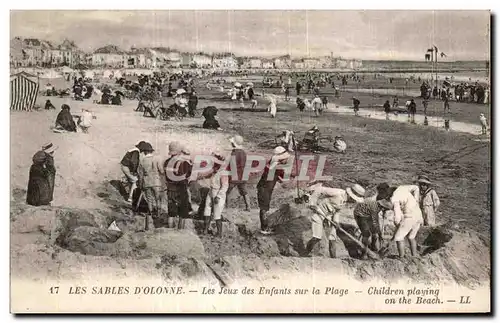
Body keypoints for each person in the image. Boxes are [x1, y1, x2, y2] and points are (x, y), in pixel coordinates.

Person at [303, 183, 365, 258]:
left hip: (329, 217)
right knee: (317, 237)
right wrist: (312, 203)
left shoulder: (344, 201)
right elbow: (319, 189)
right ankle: (304, 254)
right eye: (354, 199)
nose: (353, 201)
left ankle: (334, 259)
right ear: (350, 195)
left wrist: (336, 221)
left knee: (333, 238)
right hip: (320, 213)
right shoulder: (337, 192)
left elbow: (337, 211)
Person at [376, 182, 423, 258]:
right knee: (411, 237)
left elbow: (397, 217)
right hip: (418, 215)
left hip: (410, 216)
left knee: (398, 237)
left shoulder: (395, 199)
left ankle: (401, 257)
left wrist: (397, 225)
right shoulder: (402, 187)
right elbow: (416, 188)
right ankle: (414, 256)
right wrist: (416, 201)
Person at [256, 146, 291, 234]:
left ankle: (265, 226)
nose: (286, 160)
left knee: (265, 207)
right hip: (264, 188)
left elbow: (279, 177)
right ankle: (264, 228)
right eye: (285, 159)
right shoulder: (274, 166)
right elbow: (281, 178)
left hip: (266, 188)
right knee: (264, 208)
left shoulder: (274, 164)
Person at [164, 141, 193, 229]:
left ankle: (170, 230)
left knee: (171, 213)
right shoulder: (183, 162)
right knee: (183, 213)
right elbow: (189, 174)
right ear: (180, 151)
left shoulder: (166, 162)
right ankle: (181, 233)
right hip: (181, 189)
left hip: (170, 188)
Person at [137, 142, 164, 230]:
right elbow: (161, 170)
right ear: (151, 151)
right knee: (158, 199)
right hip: (156, 182)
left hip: (147, 182)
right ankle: (159, 214)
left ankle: (151, 214)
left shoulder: (142, 161)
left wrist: (140, 185)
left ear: (144, 152)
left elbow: (140, 175)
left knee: (149, 200)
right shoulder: (156, 159)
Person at [203, 153, 229, 237]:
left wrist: (218, 196)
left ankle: (219, 233)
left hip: (218, 193)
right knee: (207, 211)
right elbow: (208, 175)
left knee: (217, 214)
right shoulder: (215, 171)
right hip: (211, 191)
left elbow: (225, 186)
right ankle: (205, 230)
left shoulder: (223, 173)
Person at [226, 135, 251, 211]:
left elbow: (231, 164)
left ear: (234, 144)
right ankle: (248, 207)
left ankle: (226, 207)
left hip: (235, 175)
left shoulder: (234, 153)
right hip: (243, 174)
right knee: (244, 192)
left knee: (226, 192)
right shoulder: (243, 152)